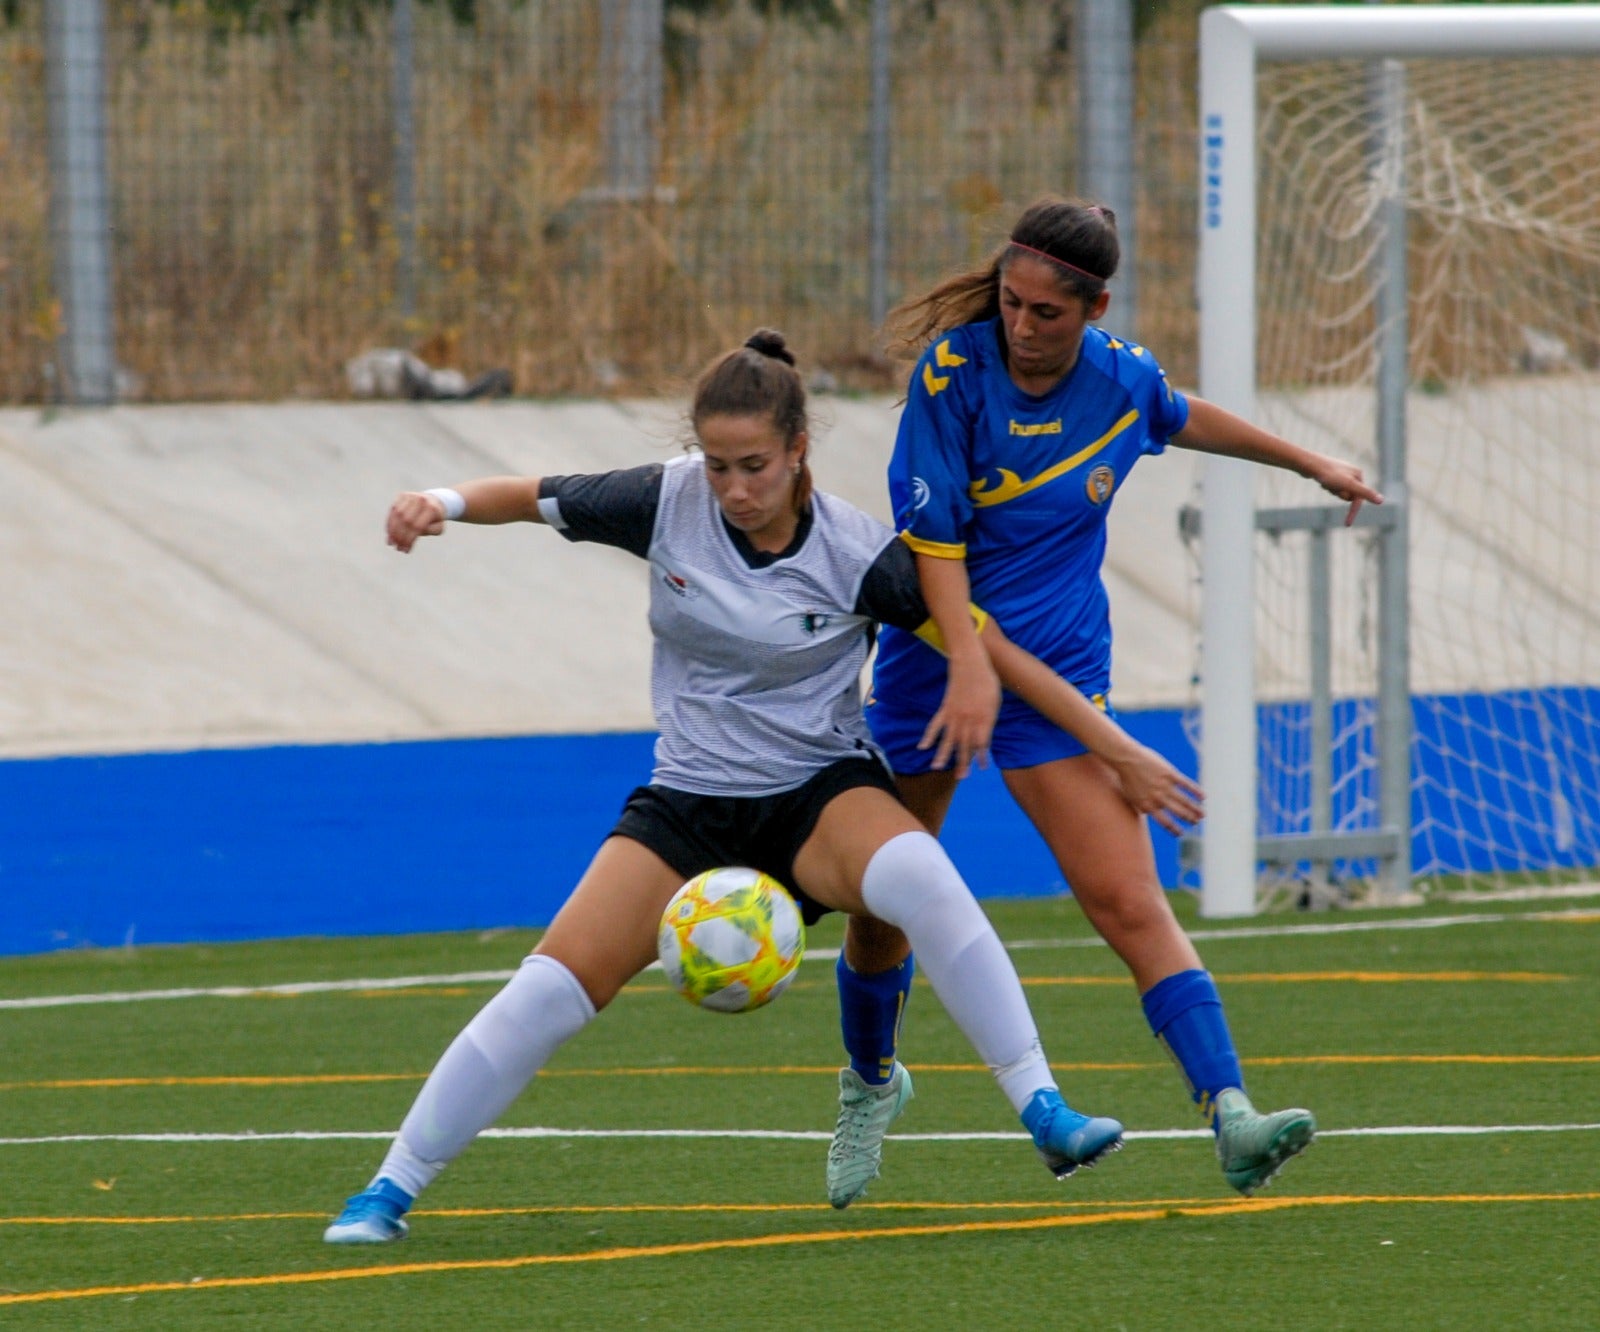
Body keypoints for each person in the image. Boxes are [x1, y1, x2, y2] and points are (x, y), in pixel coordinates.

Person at [323, 328, 1203, 1244]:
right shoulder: (664, 502)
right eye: (716, 466)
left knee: (921, 876)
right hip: (689, 805)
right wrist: (438, 500)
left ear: (798, 453)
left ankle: (1042, 1108)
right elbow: (533, 496)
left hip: (817, 793)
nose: (734, 490)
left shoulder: (861, 553)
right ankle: (388, 1189)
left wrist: (1117, 749)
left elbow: (999, 657)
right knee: (547, 991)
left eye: (754, 466)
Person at [825, 197, 1387, 1209]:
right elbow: (935, 548)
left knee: (1128, 900)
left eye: (1047, 312)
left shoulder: (1120, 378)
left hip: (1060, 670)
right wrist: (961, 662)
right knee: (880, 905)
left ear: (1093, 308)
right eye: (1011, 303)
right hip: (933, 656)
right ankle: (870, 1081)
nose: (1024, 328)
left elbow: (1176, 414)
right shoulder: (952, 376)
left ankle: (1231, 1114)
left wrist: (1305, 459)